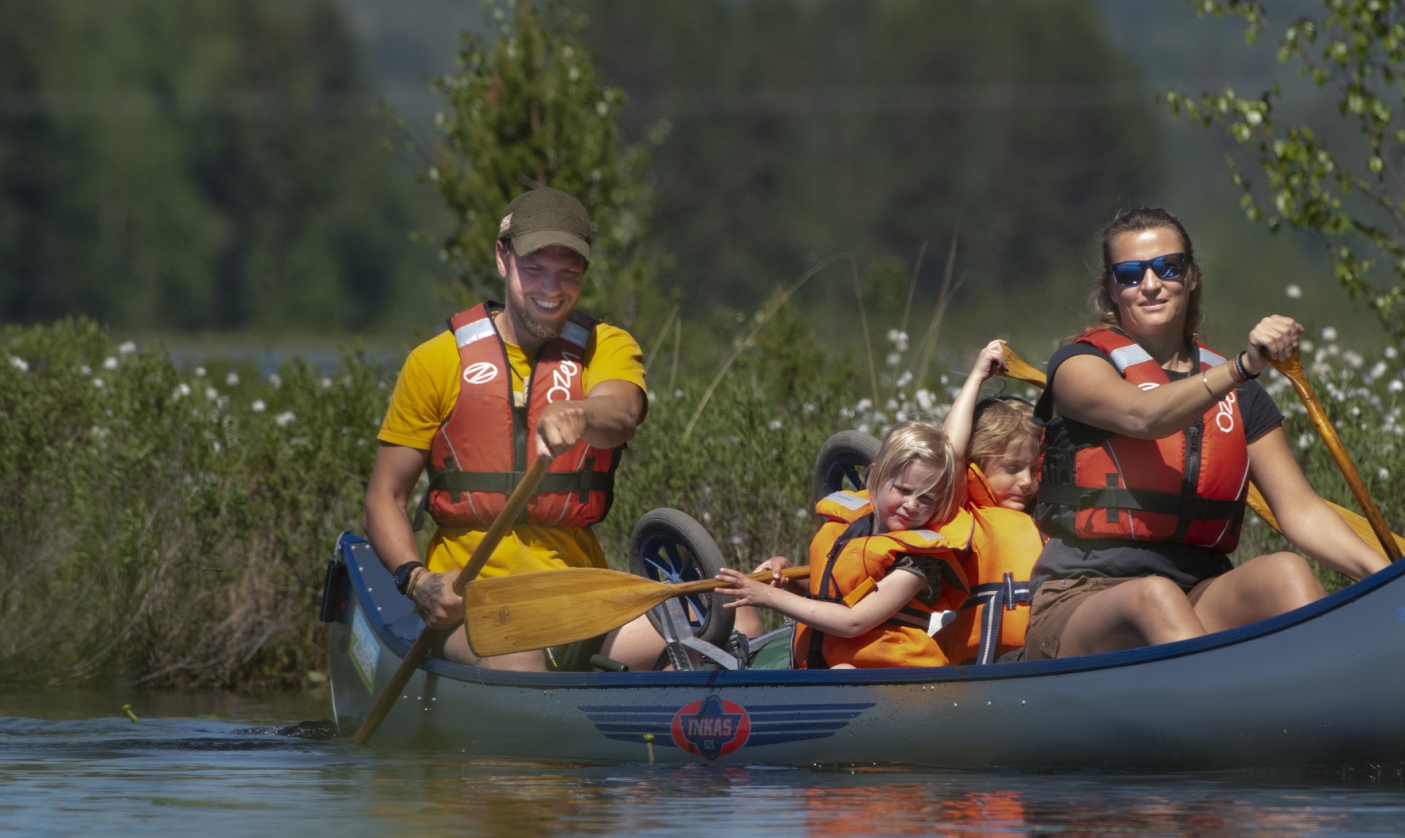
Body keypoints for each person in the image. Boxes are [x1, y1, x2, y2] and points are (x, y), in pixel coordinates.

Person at [1023, 206, 1389, 660]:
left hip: (1198, 592)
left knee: (1286, 572)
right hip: (1082, 597)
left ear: (1192, 276)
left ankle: (1333, 702)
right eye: (1131, 274)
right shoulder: (1079, 366)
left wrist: (1391, 575)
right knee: (1153, 596)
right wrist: (1243, 367)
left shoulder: (1242, 397)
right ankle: (1226, 713)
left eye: (1168, 268)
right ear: (1111, 289)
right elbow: (1144, 417)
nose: (1151, 284)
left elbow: (1302, 512)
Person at [359, 188, 665, 672]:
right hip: (475, 603)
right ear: (502, 259)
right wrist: (417, 582)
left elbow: (622, 414)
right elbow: (384, 497)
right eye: (535, 269)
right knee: (519, 661)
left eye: (569, 273)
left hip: (580, 596)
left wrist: (581, 414)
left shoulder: (606, 346)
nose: (552, 288)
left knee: (705, 628)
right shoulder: (435, 361)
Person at [718, 422, 974, 669]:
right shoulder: (852, 530)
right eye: (903, 490)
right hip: (822, 664)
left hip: (890, 677)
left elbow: (853, 621)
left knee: (843, 671)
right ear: (875, 476)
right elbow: (830, 595)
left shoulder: (919, 564)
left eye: (926, 498)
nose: (912, 505)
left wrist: (770, 597)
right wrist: (787, 579)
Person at [934, 340, 1045, 663]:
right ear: (977, 463)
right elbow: (950, 451)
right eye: (1011, 468)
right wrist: (978, 375)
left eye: (1033, 469)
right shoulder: (961, 513)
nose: (1026, 481)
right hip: (983, 664)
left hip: (1043, 652)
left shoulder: (1047, 515)